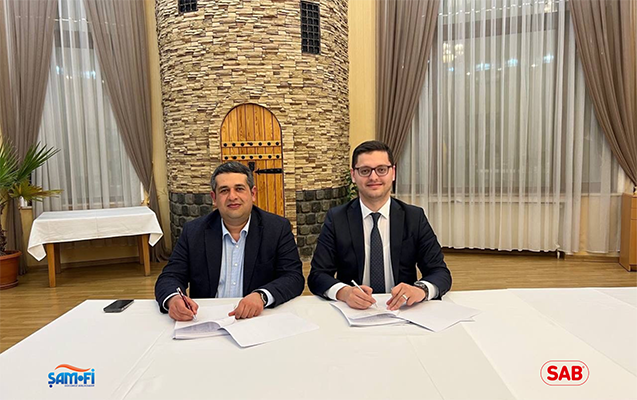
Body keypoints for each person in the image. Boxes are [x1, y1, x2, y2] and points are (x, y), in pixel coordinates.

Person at [308, 140, 452, 310]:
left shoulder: (414, 217)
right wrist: (344, 292)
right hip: (353, 311)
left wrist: (420, 290)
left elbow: (440, 272)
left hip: (402, 310)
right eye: (365, 171)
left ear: (393, 173)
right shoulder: (337, 219)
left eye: (381, 169)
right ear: (353, 175)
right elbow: (317, 275)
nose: (374, 177)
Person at [155, 161, 304, 321]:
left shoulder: (277, 228)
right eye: (224, 190)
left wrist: (262, 296)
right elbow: (170, 276)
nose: (232, 197)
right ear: (214, 198)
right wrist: (173, 299)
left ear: (253, 194)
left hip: (258, 319)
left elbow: (293, 277)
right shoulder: (193, 231)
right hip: (206, 319)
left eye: (239, 189)